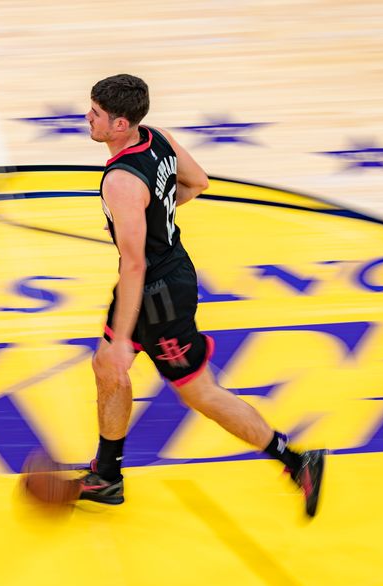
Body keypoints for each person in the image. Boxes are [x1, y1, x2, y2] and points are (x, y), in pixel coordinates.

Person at [78, 73, 326, 517]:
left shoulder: (120, 181)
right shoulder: (158, 138)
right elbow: (198, 184)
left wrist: (121, 339)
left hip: (154, 293)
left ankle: (295, 459)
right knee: (106, 369)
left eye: (96, 113)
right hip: (171, 272)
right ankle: (107, 476)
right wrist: (152, 215)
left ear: (120, 124)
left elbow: (133, 264)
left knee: (197, 392)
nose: (87, 118)